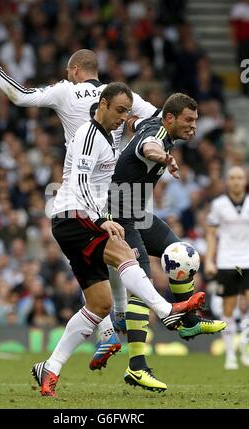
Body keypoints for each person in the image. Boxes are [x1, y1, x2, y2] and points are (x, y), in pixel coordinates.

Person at [0, 36, 162, 364]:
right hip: (114, 190)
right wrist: (141, 136)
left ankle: (120, 322)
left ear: (75, 70)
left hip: (79, 190)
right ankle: (116, 321)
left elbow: (19, 96)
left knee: (96, 256)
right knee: (114, 253)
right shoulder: (120, 96)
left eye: (68, 70)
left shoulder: (66, 90)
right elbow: (158, 119)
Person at [30, 83, 205, 397]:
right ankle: (167, 311)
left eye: (127, 112)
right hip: (74, 215)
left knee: (99, 305)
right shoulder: (87, 135)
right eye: (119, 111)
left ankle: (50, 369)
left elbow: (144, 132)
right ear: (103, 104)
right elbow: (80, 183)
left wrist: (158, 150)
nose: (123, 118)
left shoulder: (107, 135)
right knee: (124, 251)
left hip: (76, 219)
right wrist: (102, 220)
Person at [89, 92, 225, 389]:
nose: (193, 126)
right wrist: (163, 156)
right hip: (119, 217)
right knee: (142, 284)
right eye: (188, 120)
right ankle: (137, 366)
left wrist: (135, 122)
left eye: (196, 121)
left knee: (183, 254)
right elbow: (147, 146)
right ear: (170, 118)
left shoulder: (151, 123)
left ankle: (188, 322)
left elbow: (138, 125)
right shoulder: (158, 137)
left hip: (138, 213)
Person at [205, 166, 249, 369]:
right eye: (232, 178)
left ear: (244, 180)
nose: (236, 181)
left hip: (247, 260)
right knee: (228, 308)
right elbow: (212, 235)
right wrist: (209, 260)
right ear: (227, 181)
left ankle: (245, 347)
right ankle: (230, 354)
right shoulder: (219, 205)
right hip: (227, 261)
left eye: (239, 178)